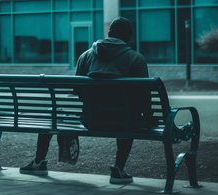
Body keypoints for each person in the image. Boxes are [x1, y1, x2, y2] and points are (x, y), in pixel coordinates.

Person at [19, 17, 148, 184]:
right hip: (123, 122)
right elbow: (143, 97)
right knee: (128, 115)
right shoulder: (136, 59)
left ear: (109, 34)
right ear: (128, 37)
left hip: (90, 120)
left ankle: (38, 162)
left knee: (52, 114)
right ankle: (118, 169)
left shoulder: (86, 56)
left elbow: (78, 90)